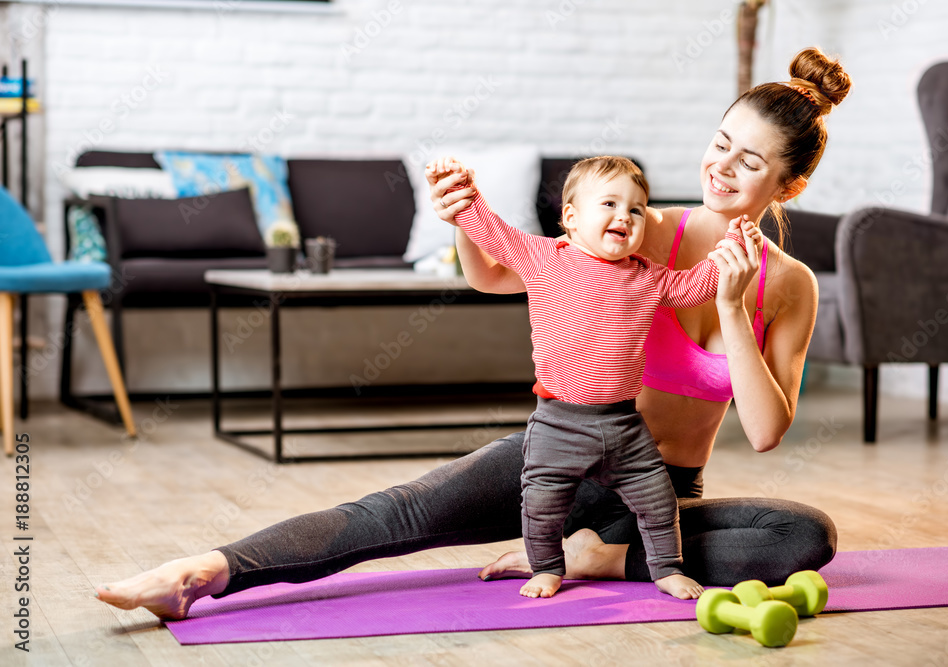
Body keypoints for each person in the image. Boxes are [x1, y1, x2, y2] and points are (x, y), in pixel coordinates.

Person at [95, 46, 849, 621]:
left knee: (803, 537)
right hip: (557, 450)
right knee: (397, 513)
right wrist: (463, 217)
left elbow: (766, 429)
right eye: (720, 142)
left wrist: (727, 304)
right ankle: (201, 571)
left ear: (789, 185)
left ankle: (600, 554)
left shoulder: (789, 286)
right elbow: (498, 275)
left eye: (748, 161)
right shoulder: (640, 225)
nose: (721, 167)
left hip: (651, 493)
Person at [429, 155, 757, 599]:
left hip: (624, 425)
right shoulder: (546, 257)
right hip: (558, 422)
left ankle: (665, 569)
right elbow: (494, 232)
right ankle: (546, 569)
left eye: (636, 209)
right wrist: (461, 190)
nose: (625, 215)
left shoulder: (647, 276)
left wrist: (732, 247)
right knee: (542, 505)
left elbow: (694, 287)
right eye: (609, 203)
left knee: (659, 503)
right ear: (570, 217)